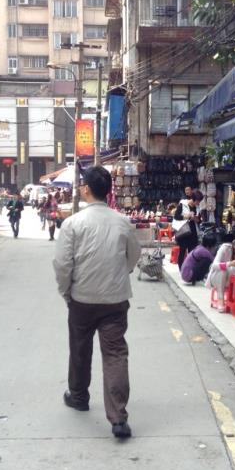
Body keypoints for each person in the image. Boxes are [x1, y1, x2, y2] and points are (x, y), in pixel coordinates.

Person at [53, 166, 141, 439]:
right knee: (115, 354)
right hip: (115, 300)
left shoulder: (73, 224)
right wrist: (118, 275)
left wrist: (66, 291)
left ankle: (78, 396)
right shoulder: (122, 222)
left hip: (82, 298)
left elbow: (62, 265)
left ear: (86, 189)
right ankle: (118, 418)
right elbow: (134, 256)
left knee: (80, 348)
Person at [206, 236, 235, 312]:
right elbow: (213, 266)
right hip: (216, 278)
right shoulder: (225, 248)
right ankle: (220, 299)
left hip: (231, 279)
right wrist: (229, 264)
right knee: (223, 270)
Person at [173, 190, 203, 272]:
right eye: (198, 201)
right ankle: (181, 270)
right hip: (184, 232)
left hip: (193, 232)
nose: (198, 203)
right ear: (193, 199)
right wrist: (187, 216)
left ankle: (189, 269)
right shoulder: (183, 204)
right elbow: (176, 216)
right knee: (182, 251)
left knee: (192, 252)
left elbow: (199, 220)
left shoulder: (197, 208)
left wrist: (197, 219)